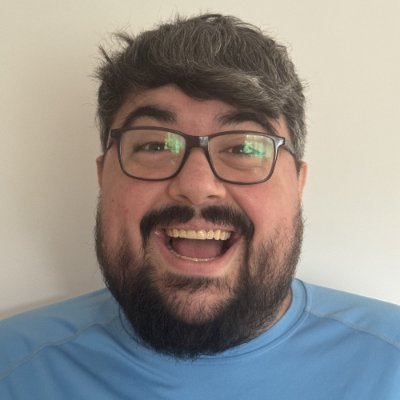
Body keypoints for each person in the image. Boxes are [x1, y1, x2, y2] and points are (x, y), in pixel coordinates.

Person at [1, 13, 399, 399]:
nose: (196, 186)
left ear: (298, 182)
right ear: (103, 175)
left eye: (244, 148)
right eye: (154, 145)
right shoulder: (13, 369)